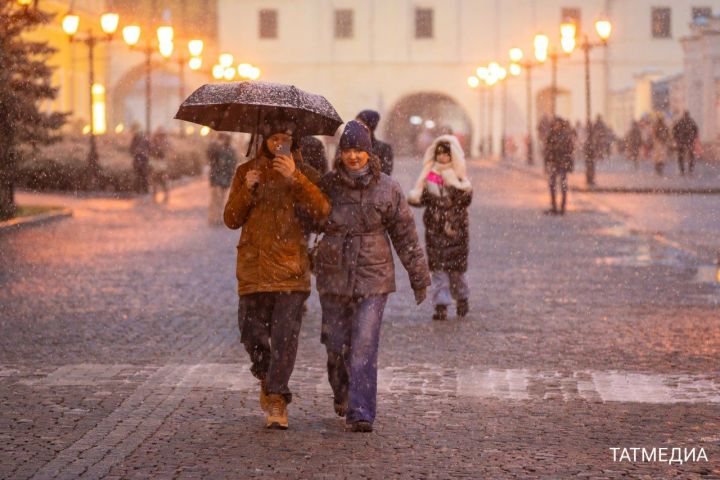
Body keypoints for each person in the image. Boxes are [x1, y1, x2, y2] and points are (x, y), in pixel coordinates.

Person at [314, 121, 430, 433]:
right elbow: (306, 219)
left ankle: (361, 409)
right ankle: (342, 388)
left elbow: (405, 235)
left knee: (364, 343)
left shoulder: (388, 188)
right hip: (333, 275)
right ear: (340, 153)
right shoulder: (327, 185)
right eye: (348, 150)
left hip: (374, 276)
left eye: (359, 150)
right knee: (336, 343)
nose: (353, 156)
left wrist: (418, 276)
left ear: (369, 152)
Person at [223, 111, 330, 430]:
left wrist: (295, 178)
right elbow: (231, 219)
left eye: (285, 139)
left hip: (290, 269)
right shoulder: (246, 171)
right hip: (254, 269)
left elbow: (323, 214)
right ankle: (267, 378)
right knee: (251, 333)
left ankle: (277, 398)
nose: (279, 144)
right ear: (264, 141)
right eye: (274, 139)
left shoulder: (305, 172)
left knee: (285, 338)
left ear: (293, 142)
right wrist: (247, 188)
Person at [408, 135, 472, 321]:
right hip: (435, 231)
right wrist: (416, 198)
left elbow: (465, 199)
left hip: (455, 231)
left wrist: (450, 189)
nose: (442, 158)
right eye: (439, 154)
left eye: (446, 154)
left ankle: (462, 298)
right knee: (438, 271)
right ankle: (441, 305)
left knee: (456, 271)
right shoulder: (429, 176)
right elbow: (423, 200)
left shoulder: (460, 177)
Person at [544, 116, 575, 215]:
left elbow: (570, 150)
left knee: (563, 185)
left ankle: (562, 207)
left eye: (558, 124)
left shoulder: (565, 136)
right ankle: (554, 206)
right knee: (552, 185)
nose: (557, 126)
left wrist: (569, 162)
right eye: (555, 124)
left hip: (562, 163)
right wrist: (547, 162)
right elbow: (547, 150)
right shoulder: (551, 135)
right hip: (554, 162)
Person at [207, 133, 237, 226]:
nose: (226, 140)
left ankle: (217, 217)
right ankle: (213, 217)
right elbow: (210, 158)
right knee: (216, 198)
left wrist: (230, 174)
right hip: (217, 178)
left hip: (223, 178)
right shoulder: (217, 148)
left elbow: (232, 164)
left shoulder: (230, 150)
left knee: (220, 199)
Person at [356, 109, 394, 176]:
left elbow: (385, 174)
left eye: (361, 124)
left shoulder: (384, 149)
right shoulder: (345, 146)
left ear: (370, 127)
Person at [672, 111, 699, 175]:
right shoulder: (691, 121)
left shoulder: (680, 121)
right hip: (689, 141)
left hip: (681, 141)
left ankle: (682, 170)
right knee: (690, 156)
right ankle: (690, 169)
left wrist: (676, 138)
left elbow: (674, 130)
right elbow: (696, 130)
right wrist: (693, 137)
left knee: (681, 156)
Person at [149, 127, 171, 203]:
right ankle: (156, 196)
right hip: (156, 164)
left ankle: (165, 196)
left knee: (162, 181)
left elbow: (167, 150)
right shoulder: (154, 142)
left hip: (161, 164)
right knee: (156, 181)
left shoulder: (164, 142)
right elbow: (151, 151)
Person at [129, 124, 151, 194]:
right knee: (141, 175)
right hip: (140, 159)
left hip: (141, 159)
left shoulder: (138, 139)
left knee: (141, 175)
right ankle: (142, 190)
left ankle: (141, 190)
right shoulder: (141, 139)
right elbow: (150, 148)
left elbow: (131, 150)